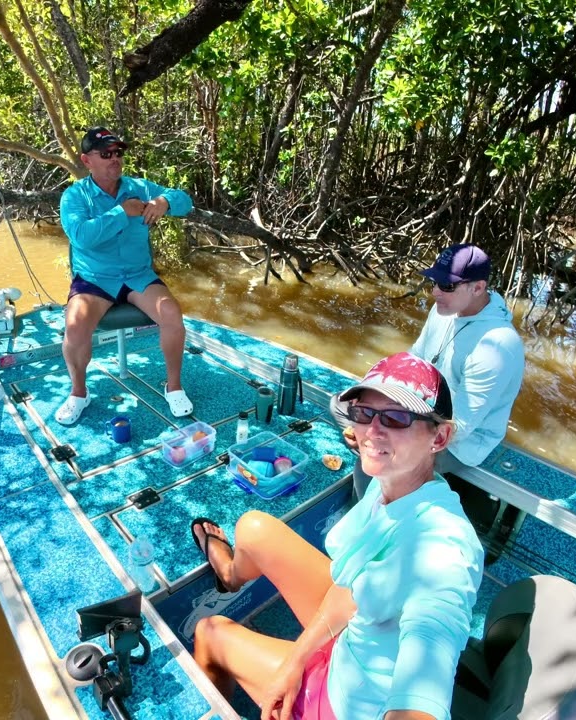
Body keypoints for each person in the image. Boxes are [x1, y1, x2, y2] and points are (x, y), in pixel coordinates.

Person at [191, 352, 483, 720]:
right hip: (354, 640)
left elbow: (423, 693)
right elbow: (351, 588)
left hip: (346, 703)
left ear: (439, 437)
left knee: (209, 632)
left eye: (396, 418)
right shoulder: (394, 485)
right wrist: (295, 660)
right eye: (364, 413)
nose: (373, 431)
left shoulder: (443, 554)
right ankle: (231, 577)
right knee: (253, 526)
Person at [56, 126, 195, 425]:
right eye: (105, 154)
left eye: (118, 152)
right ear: (86, 160)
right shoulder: (74, 196)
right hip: (95, 279)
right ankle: (79, 393)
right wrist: (122, 212)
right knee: (76, 325)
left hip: (137, 276)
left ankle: (173, 387)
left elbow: (186, 201)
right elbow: (81, 236)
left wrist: (164, 202)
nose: (114, 159)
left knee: (171, 314)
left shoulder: (140, 187)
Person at [408, 243, 525, 467]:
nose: (435, 292)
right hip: (425, 414)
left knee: (380, 465)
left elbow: (458, 426)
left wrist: (398, 434)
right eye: (434, 282)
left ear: (478, 288)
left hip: (462, 444)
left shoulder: (497, 346)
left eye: (446, 285)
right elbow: (415, 359)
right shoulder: (443, 310)